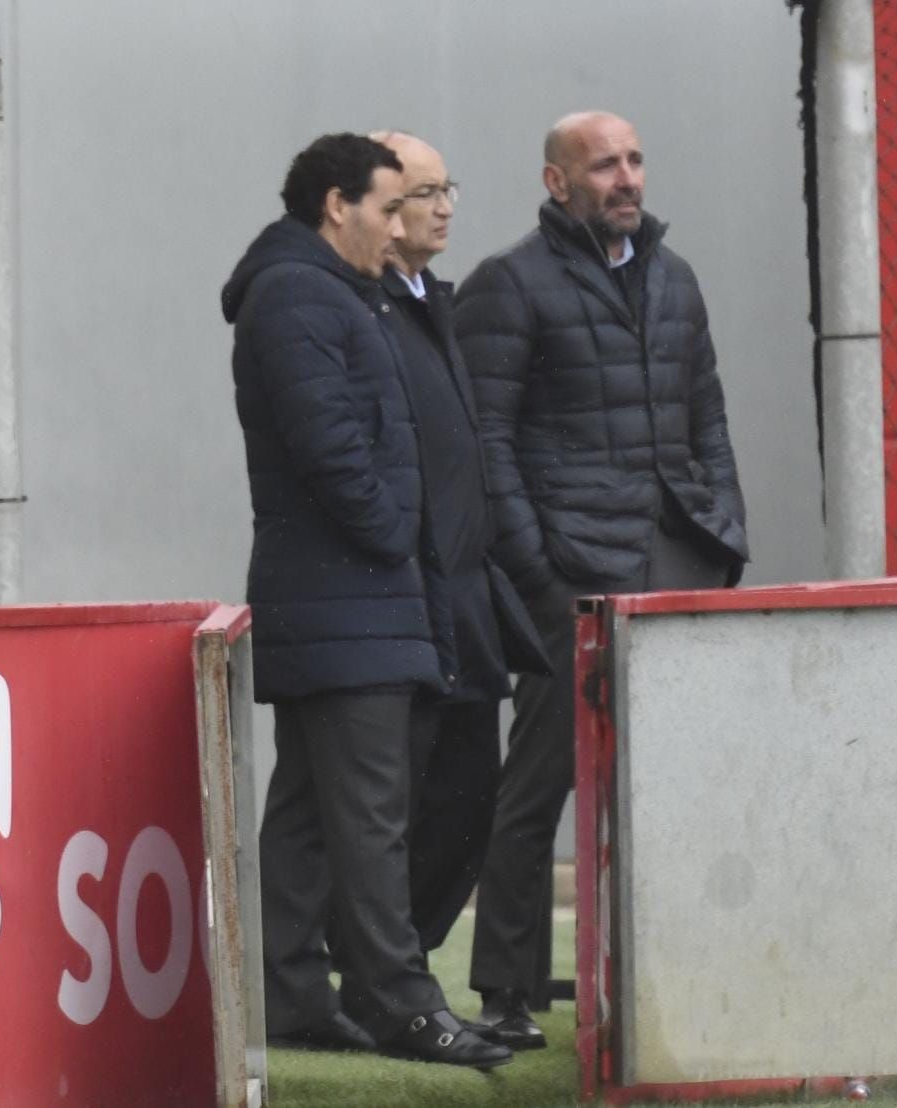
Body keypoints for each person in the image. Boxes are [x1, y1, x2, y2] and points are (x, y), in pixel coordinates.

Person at [456, 111, 750, 1049]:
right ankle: (506, 995)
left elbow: (707, 417)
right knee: (539, 785)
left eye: (633, 160)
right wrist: (536, 572)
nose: (626, 178)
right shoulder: (509, 285)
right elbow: (483, 447)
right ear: (557, 184)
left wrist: (724, 539)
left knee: (674, 785)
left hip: (675, 562)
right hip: (569, 577)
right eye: (602, 165)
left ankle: (667, 981)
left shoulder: (677, 278)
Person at [220, 132, 510, 1069]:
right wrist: (399, 536)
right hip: (350, 596)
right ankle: (398, 1002)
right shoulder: (300, 295)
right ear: (335, 204)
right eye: (388, 207)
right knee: (374, 814)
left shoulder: (334, 292)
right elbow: (333, 448)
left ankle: (289, 990)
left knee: (308, 809)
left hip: (352, 602)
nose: (401, 228)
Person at [366, 129, 549, 963]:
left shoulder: (433, 299)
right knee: (396, 795)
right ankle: (376, 969)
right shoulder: (362, 308)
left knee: (470, 792)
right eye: (422, 193)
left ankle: (407, 961)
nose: (443, 207)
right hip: (405, 597)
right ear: (376, 207)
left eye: (449, 189)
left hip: (466, 594)